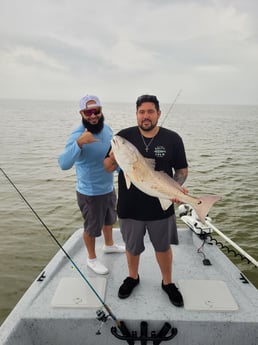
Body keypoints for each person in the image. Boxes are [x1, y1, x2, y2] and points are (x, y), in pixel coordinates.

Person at [104, 94, 188, 306]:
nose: (146, 116)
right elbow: (108, 167)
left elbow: (182, 170)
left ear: (158, 113)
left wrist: (176, 189)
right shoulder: (124, 137)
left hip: (161, 205)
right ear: (137, 114)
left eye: (150, 111)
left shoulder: (173, 139)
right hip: (130, 207)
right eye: (142, 112)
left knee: (163, 247)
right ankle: (133, 277)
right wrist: (115, 156)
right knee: (132, 247)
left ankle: (167, 282)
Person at [58, 94, 125, 275]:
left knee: (109, 219)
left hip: (108, 188)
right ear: (82, 113)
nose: (93, 115)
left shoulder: (108, 130)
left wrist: (122, 172)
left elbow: (112, 157)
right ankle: (91, 258)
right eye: (88, 112)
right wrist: (79, 143)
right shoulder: (77, 134)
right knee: (91, 228)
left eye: (96, 111)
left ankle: (109, 245)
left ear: (101, 110)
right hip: (89, 193)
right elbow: (63, 164)